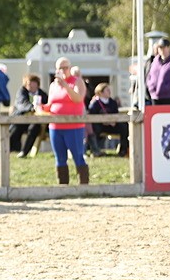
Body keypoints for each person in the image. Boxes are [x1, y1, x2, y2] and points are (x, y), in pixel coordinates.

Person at [45, 56, 88, 185]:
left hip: (74, 126)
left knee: (78, 156)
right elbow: (50, 104)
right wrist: (40, 107)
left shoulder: (77, 81)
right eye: (60, 68)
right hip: (55, 127)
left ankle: (84, 186)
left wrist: (65, 86)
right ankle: (63, 186)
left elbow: (78, 99)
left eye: (66, 67)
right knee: (60, 159)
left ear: (70, 68)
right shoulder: (53, 85)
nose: (63, 70)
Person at [87, 83, 129, 157]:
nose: (109, 92)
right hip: (100, 125)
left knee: (124, 126)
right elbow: (92, 116)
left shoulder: (112, 102)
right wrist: (103, 121)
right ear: (101, 92)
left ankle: (123, 150)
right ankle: (95, 150)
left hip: (112, 125)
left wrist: (114, 121)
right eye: (107, 90)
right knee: (94, 128)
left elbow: (116, 114)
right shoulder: (95, 103)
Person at [12, 74, 48, 158]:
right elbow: (22, 104)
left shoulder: (43, 94)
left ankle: (24, 152)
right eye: (29, 84)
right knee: (15, 128)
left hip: (37, 122)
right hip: (22, 119)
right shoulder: (22, 92)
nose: (31, 87)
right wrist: (32, 108)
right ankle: (7, 150)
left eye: (33, 84)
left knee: (34, 128)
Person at [146, 37, 170, 106]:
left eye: (164, 47)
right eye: (160, 47)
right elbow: (149, 75)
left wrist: (168, 86)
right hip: (156, 97)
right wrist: (151, 87)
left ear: (169, 48)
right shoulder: (155, 61)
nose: (162, 50)